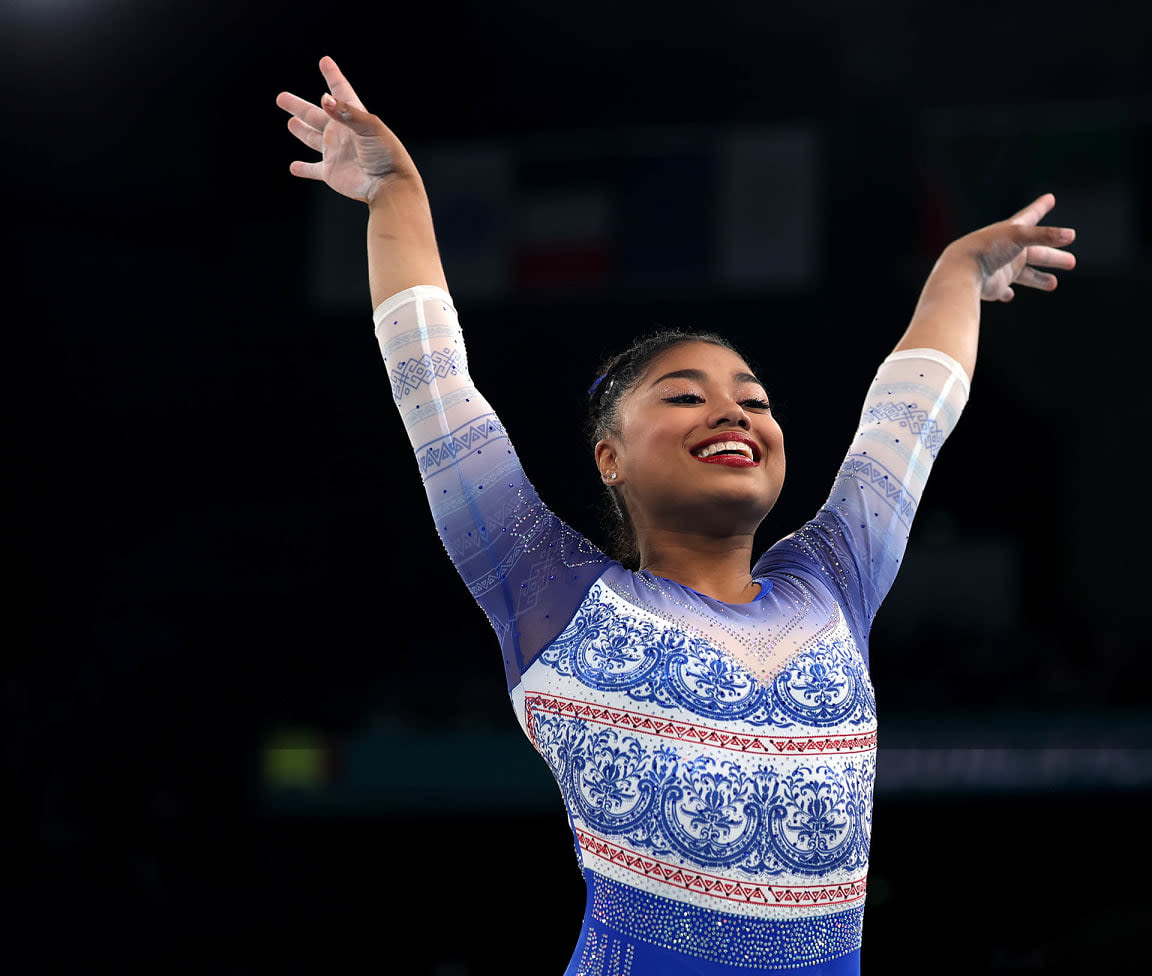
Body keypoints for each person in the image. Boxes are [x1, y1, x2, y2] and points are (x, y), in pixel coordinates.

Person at [277, 55, 1075, 976]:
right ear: (607, 457)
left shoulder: (834, 581)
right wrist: (396, 194)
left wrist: (959, 267)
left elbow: (908, 418)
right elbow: (435, 384)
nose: (733, 412)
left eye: (754, 398)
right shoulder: (552, 594)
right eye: (684, 397)